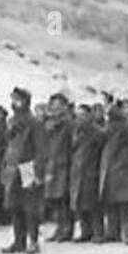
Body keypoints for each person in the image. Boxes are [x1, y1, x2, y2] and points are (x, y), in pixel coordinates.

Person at [1, 86, 49, 254]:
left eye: (18, 99)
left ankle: (33, 241)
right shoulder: (13, 122)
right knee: (14, 206)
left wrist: (38, 171)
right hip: (12, 167)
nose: (15, 103)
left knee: (29, 206)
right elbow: (8, 145)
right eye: (13, 99)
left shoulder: (34, 122)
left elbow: (41, 149)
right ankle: (18, 240)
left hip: (27, 167)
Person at [99, 98, 128, 245]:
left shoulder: (126, 126)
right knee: (116, 202)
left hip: (121, 166)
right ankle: (118, 232)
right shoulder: (123, 125)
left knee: (123, 203)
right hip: (116, 167)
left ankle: (124, 233)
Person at [69, 102, 104, 241]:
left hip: (91, 170)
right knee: (80, 204)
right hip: (78, 170)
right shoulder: (76, 131)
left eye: (83, 115)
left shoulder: (96, 131)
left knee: (93, 205)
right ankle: (85, 231)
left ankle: (98, 232)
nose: (80, 118)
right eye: (78, 115)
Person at [43, 93, 74, 241]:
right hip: (52, 164)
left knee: (64, 200)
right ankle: (59, 228)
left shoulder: (68, 124)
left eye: (58, 105)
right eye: (53, 105)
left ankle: (67, 229)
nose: (55, 108)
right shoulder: (49, 124)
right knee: (55, 199)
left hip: (64, 164)